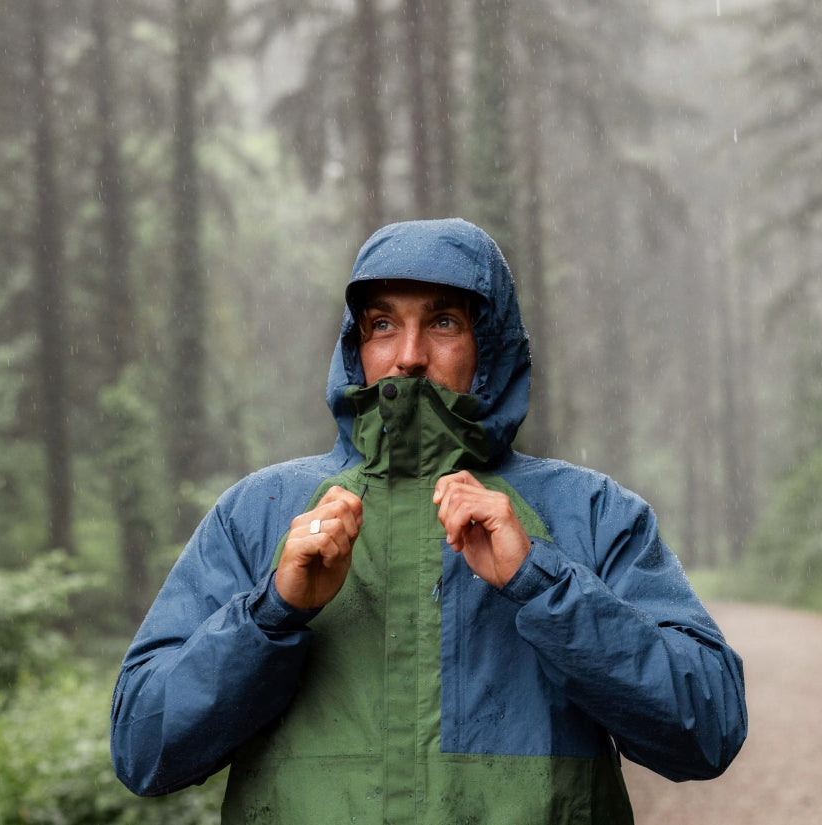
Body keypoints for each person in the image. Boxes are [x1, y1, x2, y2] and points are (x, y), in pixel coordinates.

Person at [110, 218, 746, 823]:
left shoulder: (591, 513)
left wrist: (544, 585)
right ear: (355, 348)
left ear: (489, 346)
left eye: (443, 322)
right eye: (382, 324)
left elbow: (707, 729)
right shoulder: (260, 515)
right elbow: (143, 749)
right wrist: (271, 612)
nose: (409, 356)